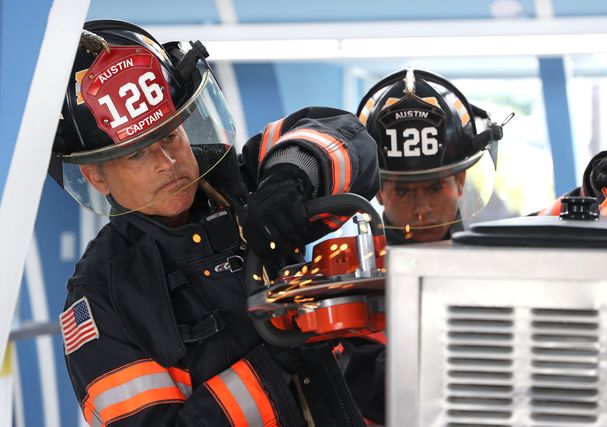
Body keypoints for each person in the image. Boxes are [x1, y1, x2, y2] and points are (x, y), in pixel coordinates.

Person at [50, 20, 380, 426]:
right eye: (137, 153)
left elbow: (346, 136)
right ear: (95, 176)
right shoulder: (103, 295)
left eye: (169, 135)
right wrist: (276, 361)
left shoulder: (245, 184)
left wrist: (293, 174)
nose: (167, 162)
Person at [339, 68, 505, 424]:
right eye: (403, 191)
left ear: (460, 181)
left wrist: (593, 184)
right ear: (379, 191)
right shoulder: (351, 280)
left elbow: (552, 230)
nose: (421, 208)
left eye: (434, 187)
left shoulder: (496, 263)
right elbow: (368, 384)